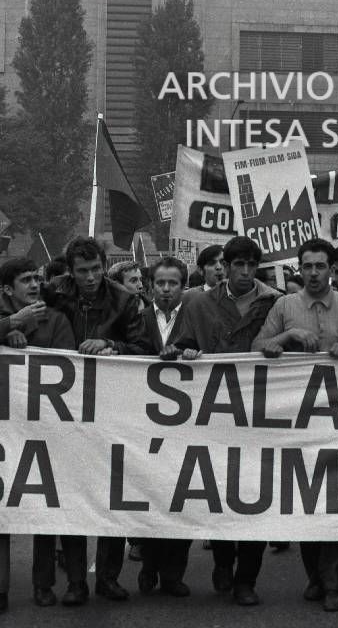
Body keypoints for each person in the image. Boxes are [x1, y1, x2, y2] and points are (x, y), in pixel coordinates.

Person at [173, 235, 280, 605]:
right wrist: (183, 351)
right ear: (226, 267)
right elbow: (177, 343)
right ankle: (222, 560)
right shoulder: (198, 302)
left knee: (256, 497)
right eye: (239, 265)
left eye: (252, 265)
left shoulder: (275, 303)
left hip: (259, 417)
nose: (246, 272)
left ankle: (246, 580)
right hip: (214, 416)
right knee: (219, 493)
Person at [253, 238, 338, 612]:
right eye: (307, 266)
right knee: (306, 505)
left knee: (334, 504)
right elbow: (254, 348)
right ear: (299, 268)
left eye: (320, 266)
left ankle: (334, 584)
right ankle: (315, 576)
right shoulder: (284, 306)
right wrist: (285, 338)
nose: (313, 273)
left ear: (331, 269)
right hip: (296, 426)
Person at [42, 235, 145, 604]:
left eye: (96, 269)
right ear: (69, 272)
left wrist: (110, 346)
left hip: (113, 411)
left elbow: (144, 350)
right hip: (64, 411)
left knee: (113, 497)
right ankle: (74, 582)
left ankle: (108, 578)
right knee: (72, 496)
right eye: (82, 271)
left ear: (105, 266)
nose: (90, 277)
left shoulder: (126, 300)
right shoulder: (52, 292)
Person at [0, 258, 75, 612]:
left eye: (37, 278)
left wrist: (26, 348)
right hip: (5, 430)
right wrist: (8, 328)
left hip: (46, 429)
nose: (34, 285)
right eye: (25, 280)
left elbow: (68, 362)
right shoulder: (5, 319)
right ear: (7, 289)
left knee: (44, 511)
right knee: (2, 512)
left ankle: (43, 584)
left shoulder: (56, 319)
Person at [135, 258, 193, 597]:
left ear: (183, 286)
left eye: (173, 283)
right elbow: (133, 350)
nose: (167, 289)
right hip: (147, 421)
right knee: (151, 498)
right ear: (150, 286)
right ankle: (149, 566)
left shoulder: (195, 316)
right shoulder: (139, 318)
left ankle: (174, 574)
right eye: (161, 283)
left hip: (186, 423)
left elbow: (210, 349)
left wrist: (192, 353)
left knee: (183, 501)